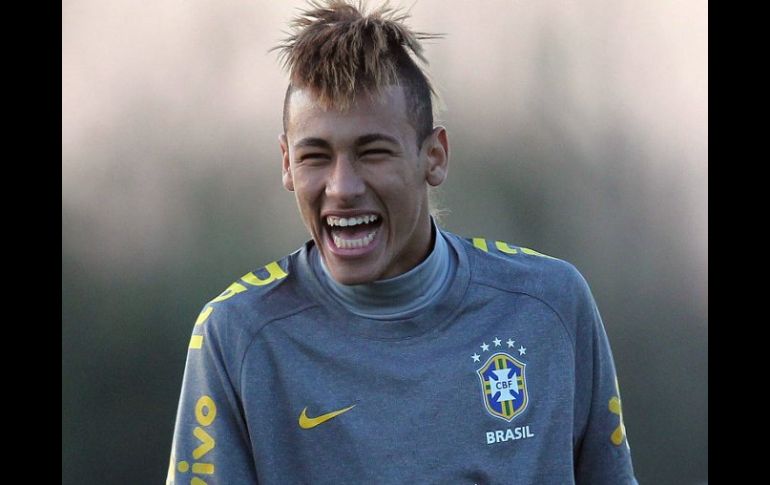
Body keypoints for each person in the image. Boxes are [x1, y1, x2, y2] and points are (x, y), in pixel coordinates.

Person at [166, 1, 638, 483]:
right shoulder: (237, 335)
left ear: (434, 156)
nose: (342, 187)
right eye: (315, 156)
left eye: (373, 153)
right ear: (287, 163)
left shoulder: (548, 304)